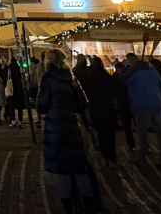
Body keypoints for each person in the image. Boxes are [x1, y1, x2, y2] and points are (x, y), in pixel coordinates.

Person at [38, 49, 95, 214]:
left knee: (61, 169)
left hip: (55, 128)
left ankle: (68, 208)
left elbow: (42, 105)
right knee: (79, 168)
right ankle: (88, 206)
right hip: (72, 125)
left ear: (48, 61)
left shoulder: (47, 78)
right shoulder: (70, 77)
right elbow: (83, 102)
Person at [120, 53, 161, 168]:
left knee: (142, 132)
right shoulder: (153, 71)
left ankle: (142, 156)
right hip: (157, 103)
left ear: (131, 61)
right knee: (159, 132)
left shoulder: (135, 73)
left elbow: (125, 82)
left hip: (142, 104)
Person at [82, 56, 119, 165]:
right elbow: (114, 91)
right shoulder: (107, 77)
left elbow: (86, 92)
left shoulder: (89, 78)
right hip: (108, 107)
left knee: (101, 133)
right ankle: (112, 157)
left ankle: (104, 156)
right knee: (110, 134)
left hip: (96, 108)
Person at [114, 61, 136, 151]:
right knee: (129, 125)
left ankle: (132, 145)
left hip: (124, 104)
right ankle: (133, 145)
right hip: (128, 103)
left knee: (127, 125)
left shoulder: (116, 78)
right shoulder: (128, 76)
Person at [6, 57, 26, 127]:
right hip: (19, 89)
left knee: (12, 106)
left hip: (11, 89)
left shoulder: (9, 68)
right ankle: (20, 121)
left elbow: (6, 78)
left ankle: (13, 121)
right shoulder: (19, 68)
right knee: (20, 107)